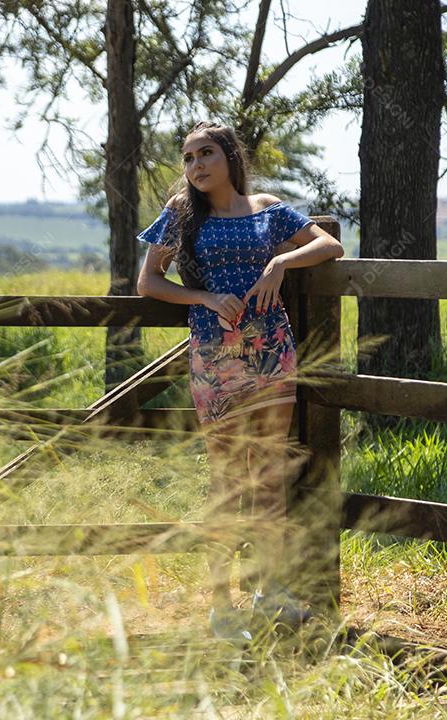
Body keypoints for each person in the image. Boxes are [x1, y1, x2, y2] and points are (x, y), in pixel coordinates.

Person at [134, 121, 345, 642]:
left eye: (206, 154)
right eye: (187, 158)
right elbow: (148, 281)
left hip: (272, 352)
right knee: (229, 483)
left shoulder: (268, 209)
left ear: (229, 156)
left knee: (270, 477)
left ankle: (270, 593)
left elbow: (328, 246)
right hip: (217, 356)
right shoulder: (181, 215)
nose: (196, 166)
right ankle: (220, 605)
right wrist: (203, 297)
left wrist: (280, 261)